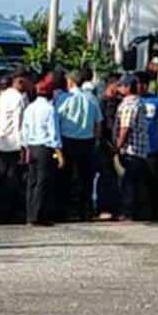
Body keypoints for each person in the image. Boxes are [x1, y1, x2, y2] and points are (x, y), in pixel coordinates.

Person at [55, 70, 103, 221]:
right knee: (85, 178)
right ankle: (85, 211)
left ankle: (65, 211)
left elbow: (57, 118)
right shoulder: (91, 98)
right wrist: (96, 140)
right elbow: (98, 123)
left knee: (65, 177)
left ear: (71, 81)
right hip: (87, 141)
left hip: (67, 140)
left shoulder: (64, 98)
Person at [21, 78, 64, 226]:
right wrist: (59, 153)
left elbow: (24, 130)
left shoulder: (29, 108)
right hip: (44, 148)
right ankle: (39, 216)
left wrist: (25, 147)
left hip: (31, 147)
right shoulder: (50, 109)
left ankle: (30, 215)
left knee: (32, 182)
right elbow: (53, 133)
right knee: (42, 182)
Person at [0, 70, 30, 223]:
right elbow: (19, 124)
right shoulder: (18, 99)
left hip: (2, 142)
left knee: (3, 179)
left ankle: (1, 212)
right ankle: (9, 213)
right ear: (20, 81)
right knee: (13, 180)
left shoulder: (3, 95)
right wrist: (23, 147)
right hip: (14, 144)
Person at [114, 74, 149, 221]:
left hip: (131, 149)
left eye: (121, 85)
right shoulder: (139, 102)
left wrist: (117, 146)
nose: (119, 88)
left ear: (128, 87)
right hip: (140, 150)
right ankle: (137, 212)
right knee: (136, 182)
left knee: (128, 182)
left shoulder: (129, 104)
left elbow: (125, 128)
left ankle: (128, 212)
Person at [137, 72, 158, 219]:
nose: (139, 87)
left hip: (152, 147)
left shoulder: (157, 102)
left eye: (142, 84)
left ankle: (153, 211)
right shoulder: (130, 100)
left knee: (152, 179)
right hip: (135, 149)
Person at [96, 73, 122, 219]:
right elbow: (101, 125)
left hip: (117, 145)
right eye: (118, 85)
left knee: (116, 177)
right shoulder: (102, 103)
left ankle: (116, 207)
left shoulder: (118, 102)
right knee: (106, 176)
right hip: (105, 145)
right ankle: (104, 207)